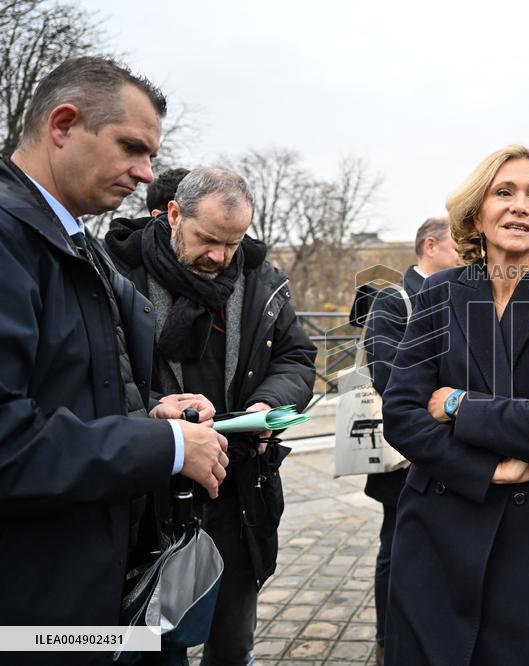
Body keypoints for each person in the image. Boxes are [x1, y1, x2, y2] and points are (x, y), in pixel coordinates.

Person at [0, 56, 227, 657]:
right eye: (131, 147)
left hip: (82, 594)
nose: (147, 173)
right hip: (30, 613)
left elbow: (67, 389)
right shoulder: (9, 239)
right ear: (63, 124)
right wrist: (171, 448)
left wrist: (152, 412)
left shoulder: (70, 239)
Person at [380, 144, 529, 665]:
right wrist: (487, 470)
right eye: (503, 192)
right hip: (442, 520)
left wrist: (460, 403)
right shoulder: (439, 294)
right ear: (476, 213)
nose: (520, 206)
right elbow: (400, 412)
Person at [105, 166, 317, 665]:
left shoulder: (261, 277)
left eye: (233, 243)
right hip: (147, 495)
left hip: (238, 492)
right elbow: (97, 376)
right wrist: (156, 408)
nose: (220, 258)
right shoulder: (115, 272)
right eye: (207, 240)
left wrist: (267, 404)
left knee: (232, 639)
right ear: (174, 214)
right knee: (147, 643)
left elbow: (296, 356)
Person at [361, 215, 463, 666]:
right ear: (430, 246)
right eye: (459, 248)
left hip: (454, 447)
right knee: (397, 546)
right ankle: (388, 638)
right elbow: (389, 376)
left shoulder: (464, 293)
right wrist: (451, 401)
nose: (468, 257)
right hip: (406, 452)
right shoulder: (392, 299)